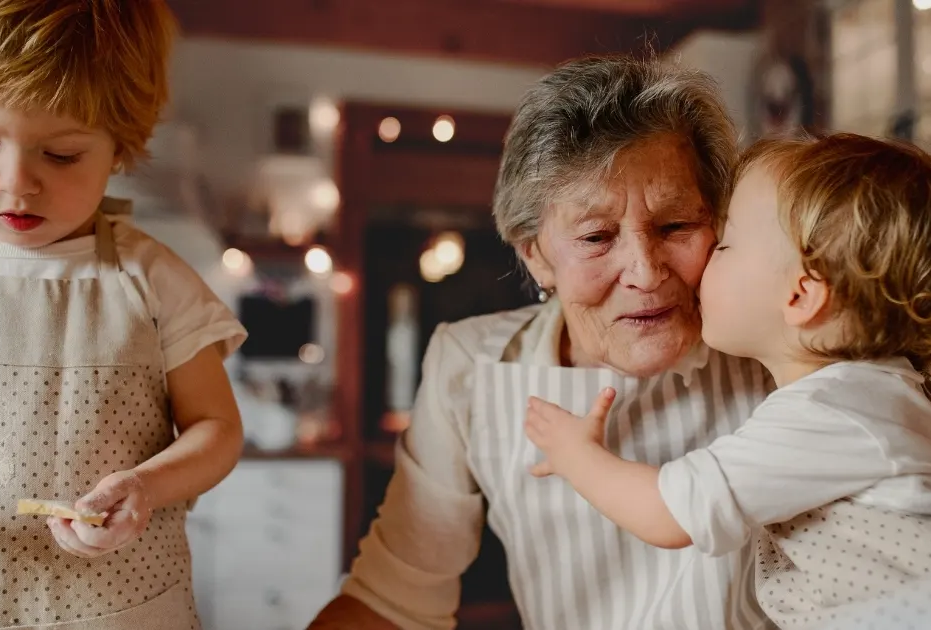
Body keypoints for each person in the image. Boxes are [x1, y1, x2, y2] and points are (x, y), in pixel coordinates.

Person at [308, 55, 775, 630]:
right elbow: (392, 598)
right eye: (597, 237)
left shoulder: (779, 347)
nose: (646, 272)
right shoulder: (472, 366)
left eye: (675, 226)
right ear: (535, 254)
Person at [523, 133, 931, 628]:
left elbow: (671, 512)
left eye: (724, 245)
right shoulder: (873, 395)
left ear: (800, 297)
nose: (697, 266)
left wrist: (578, 456)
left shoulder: (834, 411)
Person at [0, 1, 246, 628]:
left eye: (59, 155)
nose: (15, 182)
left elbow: (217, 430)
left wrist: (147, 486)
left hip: (121, 608)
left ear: (119, 150)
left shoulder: (153, 277)